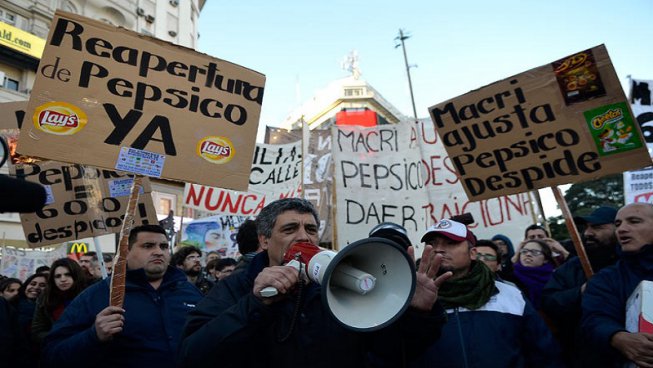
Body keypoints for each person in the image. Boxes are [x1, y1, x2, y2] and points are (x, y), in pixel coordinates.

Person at [178, 198, 451, 368]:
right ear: (263, 240)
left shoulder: (339, 285)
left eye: (310, 229)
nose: (303, 237)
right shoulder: (235, 287)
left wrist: (418, 316)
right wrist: (256, 304)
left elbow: (390, 352)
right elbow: (195, 354)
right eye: (289, 229)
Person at [42, 224, 203, 368]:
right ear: (125, 252)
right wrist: (93, 336)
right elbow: (53, 354)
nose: (158, 252)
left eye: (163, 246)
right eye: (148, 246)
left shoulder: (190, 292)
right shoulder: (97, 295)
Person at [410, 219, 563, 368]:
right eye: (432, 244)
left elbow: (544, 354)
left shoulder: (510, 295)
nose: (438, 249)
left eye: (451, 243)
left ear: (472, 253)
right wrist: (417, 313)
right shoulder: (409, 297)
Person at [541, 206, 619, 367]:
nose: (588, 233)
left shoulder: (632, 264)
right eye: (586, 227)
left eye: (597, 227)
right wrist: (581, 292)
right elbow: (549, 302)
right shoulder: (572, 267)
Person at [581, 203, 653, 367]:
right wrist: (617, 337)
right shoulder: (606, 279)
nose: (621, 229)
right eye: (618, 224)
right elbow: (594, 319)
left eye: (634, 221)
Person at [32, 258, 88, 344]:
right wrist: (57, 338)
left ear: (76, 275)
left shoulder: (88, 295)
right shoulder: (45, 298)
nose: (63, 279)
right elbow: (38, 330)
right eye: (58, 276)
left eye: (68, 275)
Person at [512, 239, 556, 310]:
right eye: (524, 251)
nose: (528, 254)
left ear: (545, 259)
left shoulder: (556, 279)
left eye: (535, 252)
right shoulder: (510, 278)